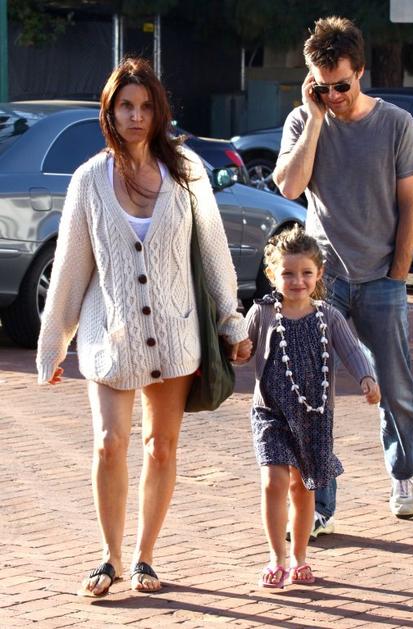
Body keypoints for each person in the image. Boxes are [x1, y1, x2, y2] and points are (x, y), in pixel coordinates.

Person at [36, 57, 251, 596]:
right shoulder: (89, 180)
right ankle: (108, 557)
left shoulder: (186, 170)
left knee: (160, 447)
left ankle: (144, 558)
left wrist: (232, 324)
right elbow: (70, 267)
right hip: (110, 336)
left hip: (174, 336)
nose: (136, 116)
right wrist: (52, 345)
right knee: (109, 443)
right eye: (126, 106)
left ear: (159, 112)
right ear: (109, 113)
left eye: (146, 106)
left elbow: (213, 252)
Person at [273, 16, 413, 532]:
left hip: (382, 278)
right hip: (323, 282)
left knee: (395, 386)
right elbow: (290, 188)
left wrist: (398, 274)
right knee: (312, 392)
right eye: (323, 87)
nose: (334, 96)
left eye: (342, 85)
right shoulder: (304, 122)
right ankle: (319, 506)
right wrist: (314, 118)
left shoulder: (397, 125)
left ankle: (403, 474)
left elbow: (410, 206)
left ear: (360, 71)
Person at [245, 225, 380, 588]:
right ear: (272, 275)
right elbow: (242, 349)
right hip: (270, 412)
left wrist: (366, 377)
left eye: (306, 273)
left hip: (314, 416)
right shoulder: (263, 313)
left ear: (319, 274)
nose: (297, 281)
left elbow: (352, 350)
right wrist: (236, 350)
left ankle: (299, 558)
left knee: (303, 488)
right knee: (273, 481)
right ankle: (276, 557)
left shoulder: (328, 316)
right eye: (288, 273)